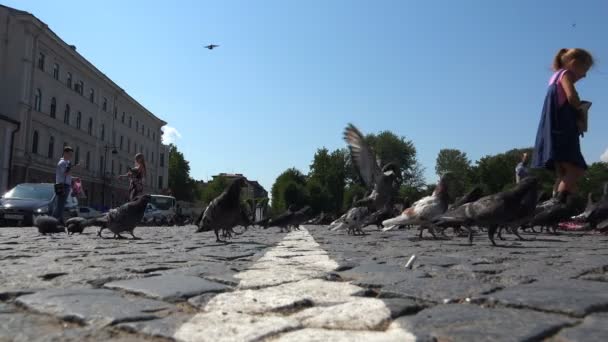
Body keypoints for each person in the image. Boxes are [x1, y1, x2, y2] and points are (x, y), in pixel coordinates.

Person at [531, 48, 594, 206]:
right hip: (562, 133)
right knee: (576, 170)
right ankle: (555, 205)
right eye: (585, 69)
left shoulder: (554, 78)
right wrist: (581, 109)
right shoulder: (565, 75)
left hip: (552, 132)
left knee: (564, 173)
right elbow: (571, 97)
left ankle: (562, 210)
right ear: (573, 64)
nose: (585, 75)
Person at [52, 146, 79, 223]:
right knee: (60, 205)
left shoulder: (67, 162)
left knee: (61, 204)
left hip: (65, 185)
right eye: (70, 154)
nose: (71, 156)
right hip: (62, 185)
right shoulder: (62, 162)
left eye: (71, 154)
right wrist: (75, 167)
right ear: (65, 153)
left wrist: (74, 178)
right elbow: (66, 173)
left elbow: (67, 176)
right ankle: (55, 221)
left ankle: (57, 220)